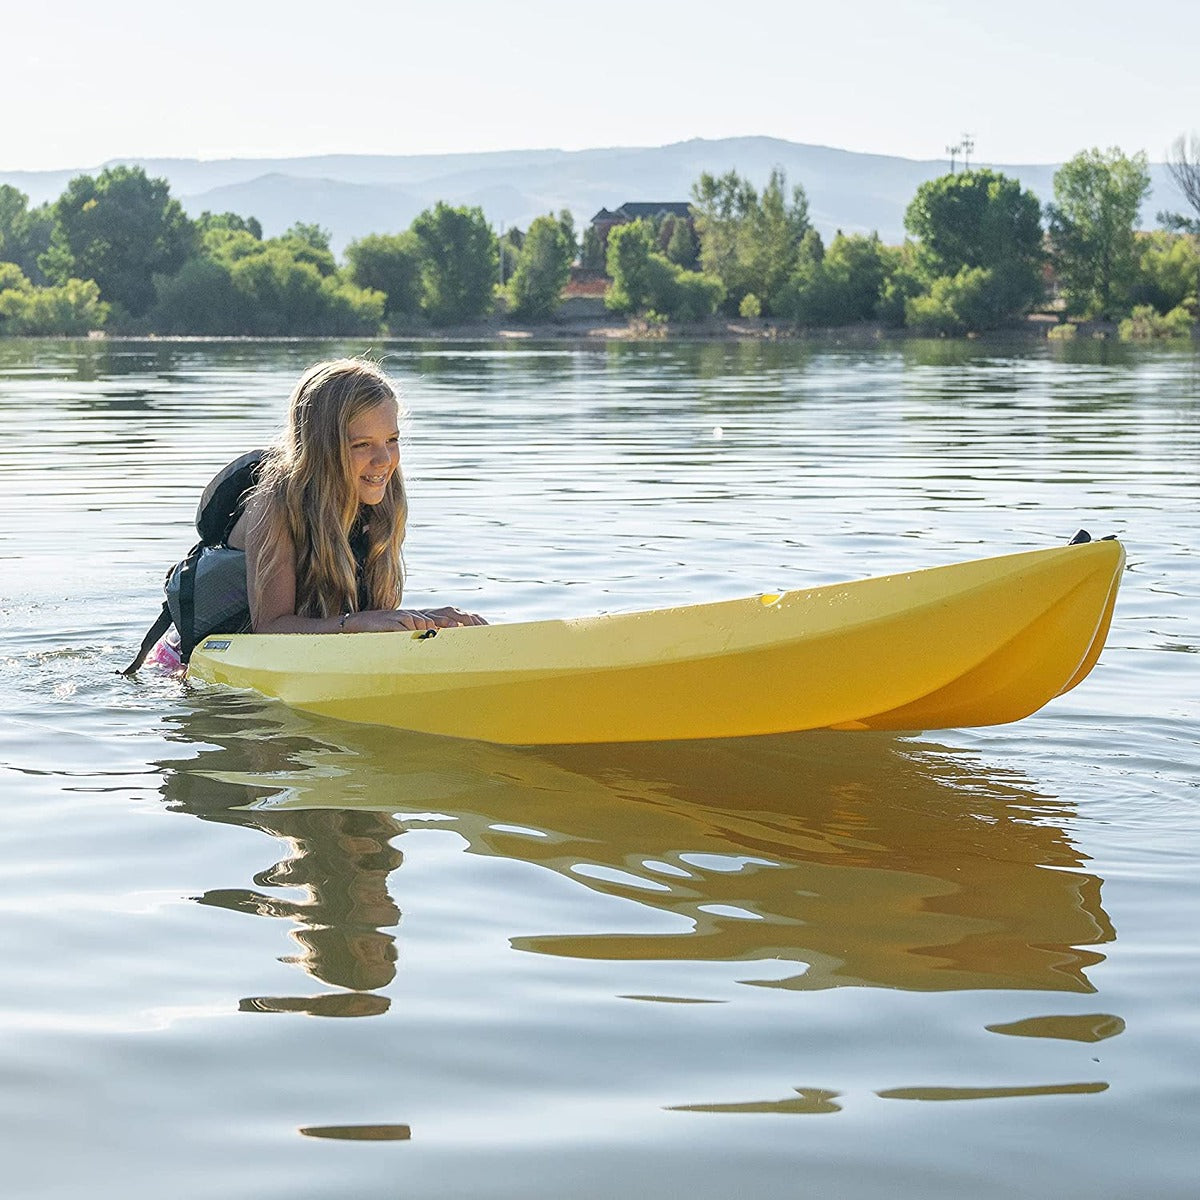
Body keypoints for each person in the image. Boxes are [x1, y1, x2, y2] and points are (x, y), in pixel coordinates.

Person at [229, 357, 485, 634]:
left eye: (392, 440)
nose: (384, 460)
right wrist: (353, 624)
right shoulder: (274, 503)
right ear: (322, 448)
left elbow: (375, 617)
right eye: (362, 444)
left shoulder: (385, 499)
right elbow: (269, 628)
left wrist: (426, 619)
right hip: (201, 657)